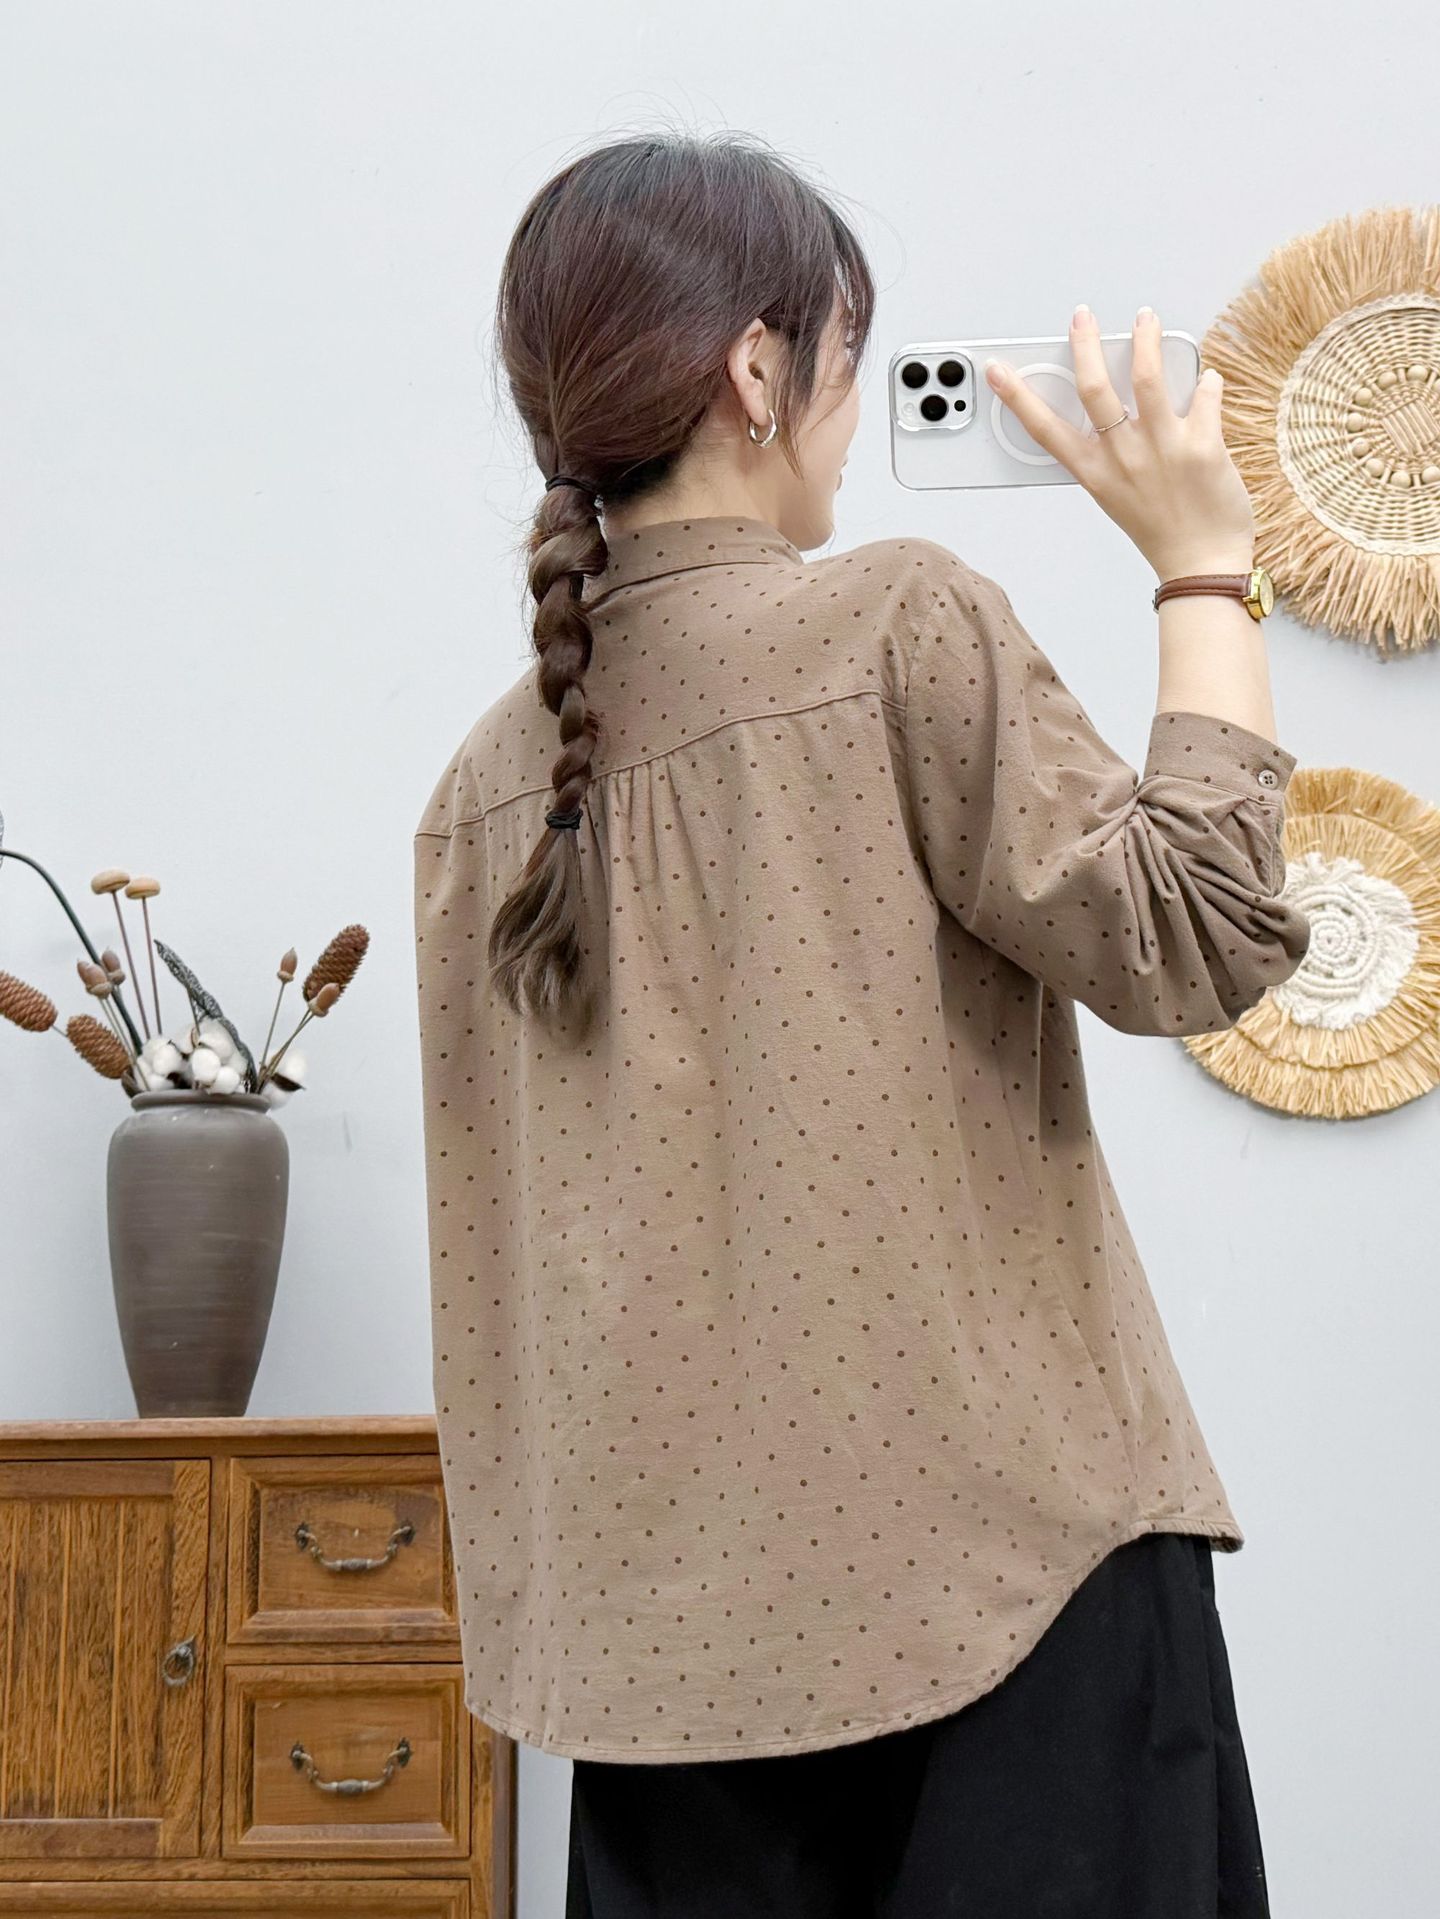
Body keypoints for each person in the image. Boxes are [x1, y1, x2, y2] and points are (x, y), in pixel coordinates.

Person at [412, 129, 1309, 1918]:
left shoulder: (479, 797)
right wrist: (1205, 565)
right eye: (839, 351)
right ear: (758, 370)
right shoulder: (894, 625)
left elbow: (502, 1281)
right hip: (1006, 1601)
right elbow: (1201, 938)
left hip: (661, 1679)